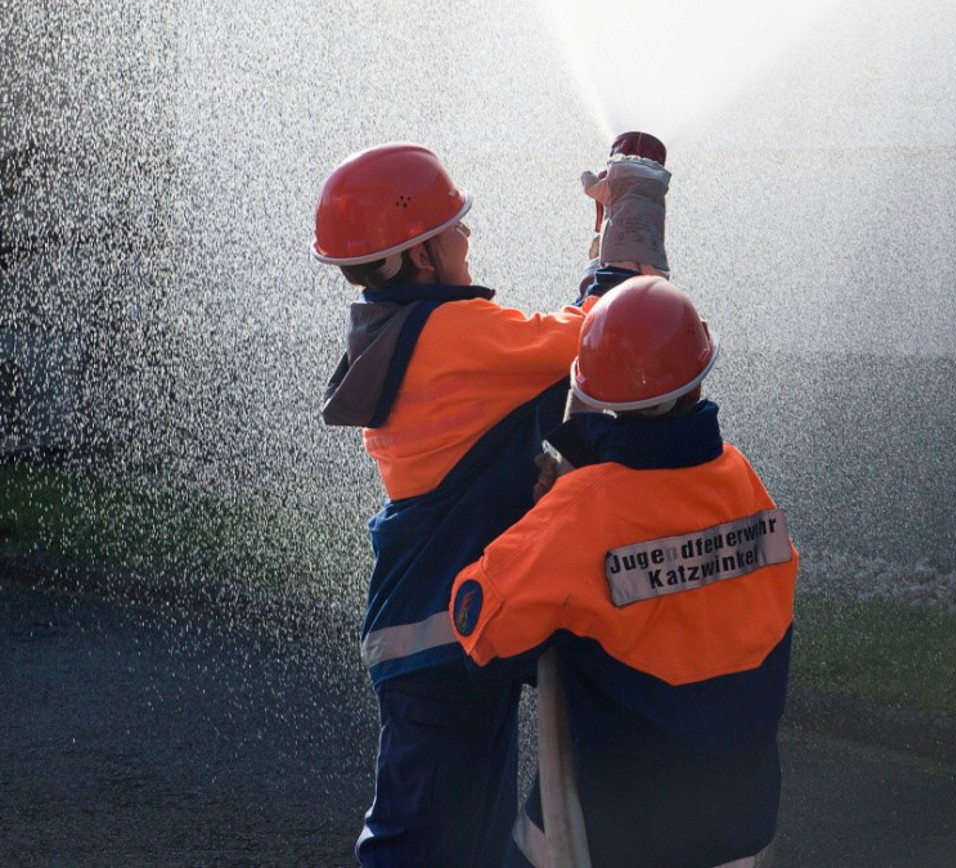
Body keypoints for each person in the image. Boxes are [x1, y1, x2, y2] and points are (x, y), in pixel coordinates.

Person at [312, 141, 671, 866]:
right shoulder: (449, 334)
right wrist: (634, 214)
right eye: (455, 228)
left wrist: (607, 239)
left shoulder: (399, 334)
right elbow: (589, 338)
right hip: (444, 635)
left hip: (438, 633)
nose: (467, 236)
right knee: (421, 844)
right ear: (420, 256)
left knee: (461, 839)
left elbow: (549, 357)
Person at [450, 276, 800, 867]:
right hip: (744, 832)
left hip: (628, 838)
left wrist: (541, 518)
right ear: (698, 379)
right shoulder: (741, 476)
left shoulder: (585, 509)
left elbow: (479, 626)